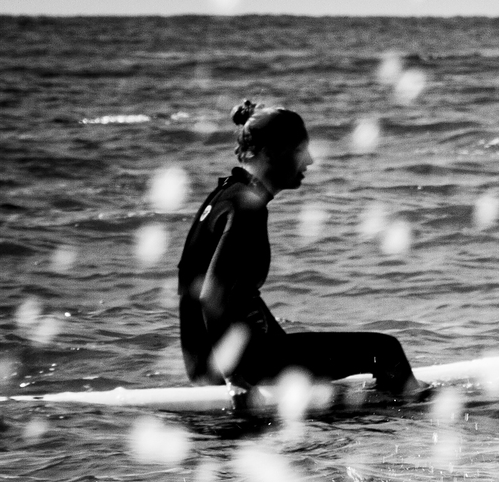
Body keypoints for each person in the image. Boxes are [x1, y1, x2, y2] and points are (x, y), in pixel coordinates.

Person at [177, 99, 420, 397]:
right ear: (269, 152)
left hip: (205, 364)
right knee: (385, 351)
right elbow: (210, 293)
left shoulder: (224, 195)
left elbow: (234, 294)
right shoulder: (246, 207)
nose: (309, 162)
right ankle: (416, 414)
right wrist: (235, 379)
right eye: (300, 152)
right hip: (242, 364)